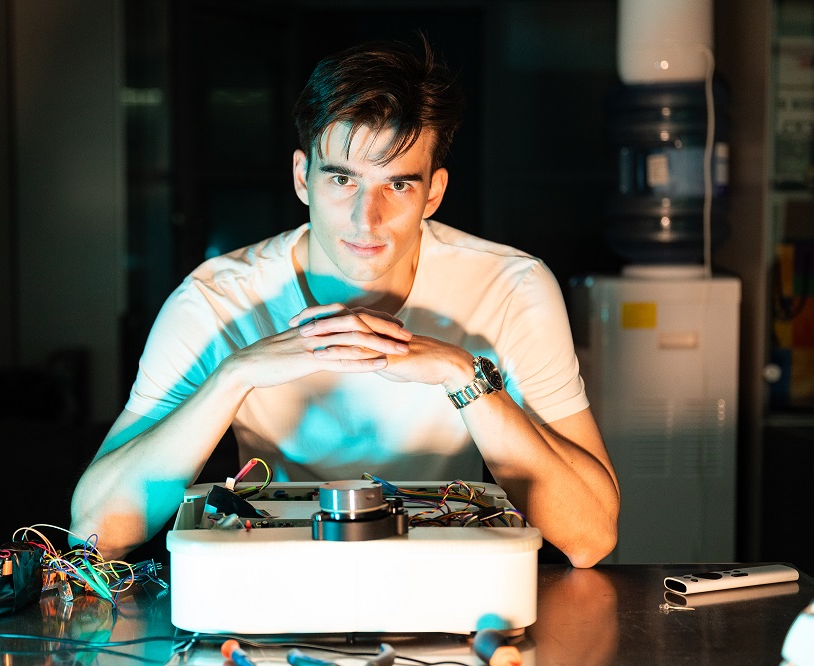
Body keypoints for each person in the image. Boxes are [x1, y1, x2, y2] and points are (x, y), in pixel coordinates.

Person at [70, 36, 620, 568]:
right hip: (278, 577)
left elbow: (591, 537)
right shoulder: (217, 299)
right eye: (342, 179)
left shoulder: (512, 287)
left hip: (445, 577)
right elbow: (96, 532)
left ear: (433, 192)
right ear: (302, 177)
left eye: (398, 185)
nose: (366, 219)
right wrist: (233, 377)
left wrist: (462, 375)